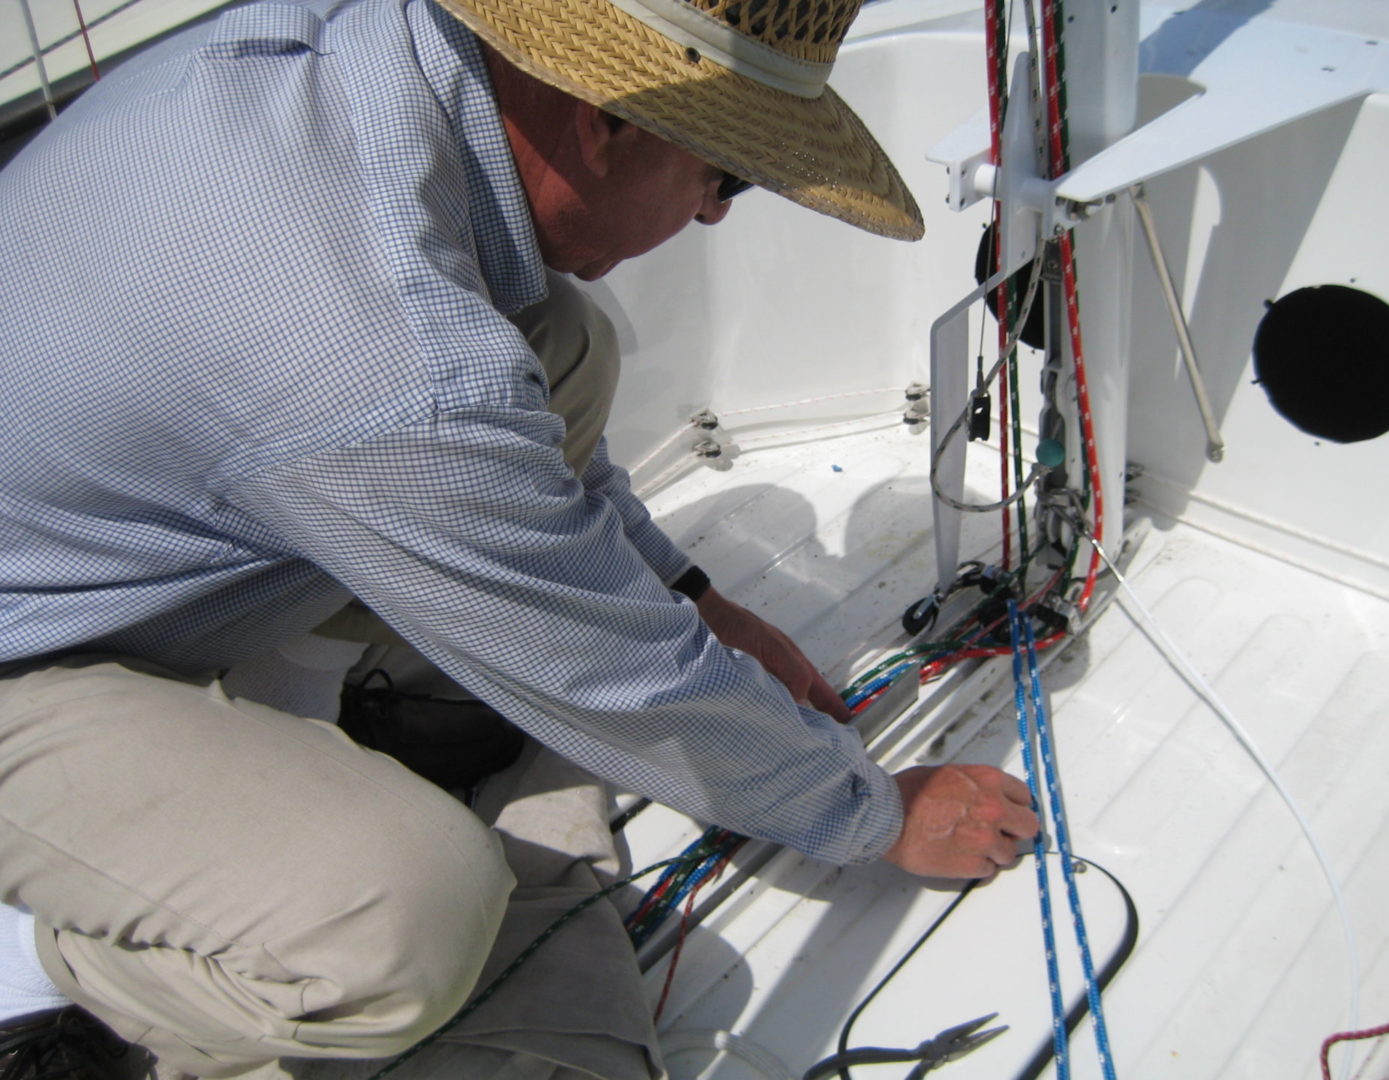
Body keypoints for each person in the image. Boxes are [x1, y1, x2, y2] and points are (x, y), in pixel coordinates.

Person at [0, 0, 1039, 1076]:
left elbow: (493, 446)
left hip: (81, 545)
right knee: (403, 923)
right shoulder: (380, 359)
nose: (718, 216)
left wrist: (694, 597)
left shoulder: (363, 49)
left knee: (560, 339)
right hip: (28, 657)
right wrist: (872, 814)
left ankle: (289, 723)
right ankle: (40, 955)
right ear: (606, 125)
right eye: (726, 176)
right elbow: (607, 668)